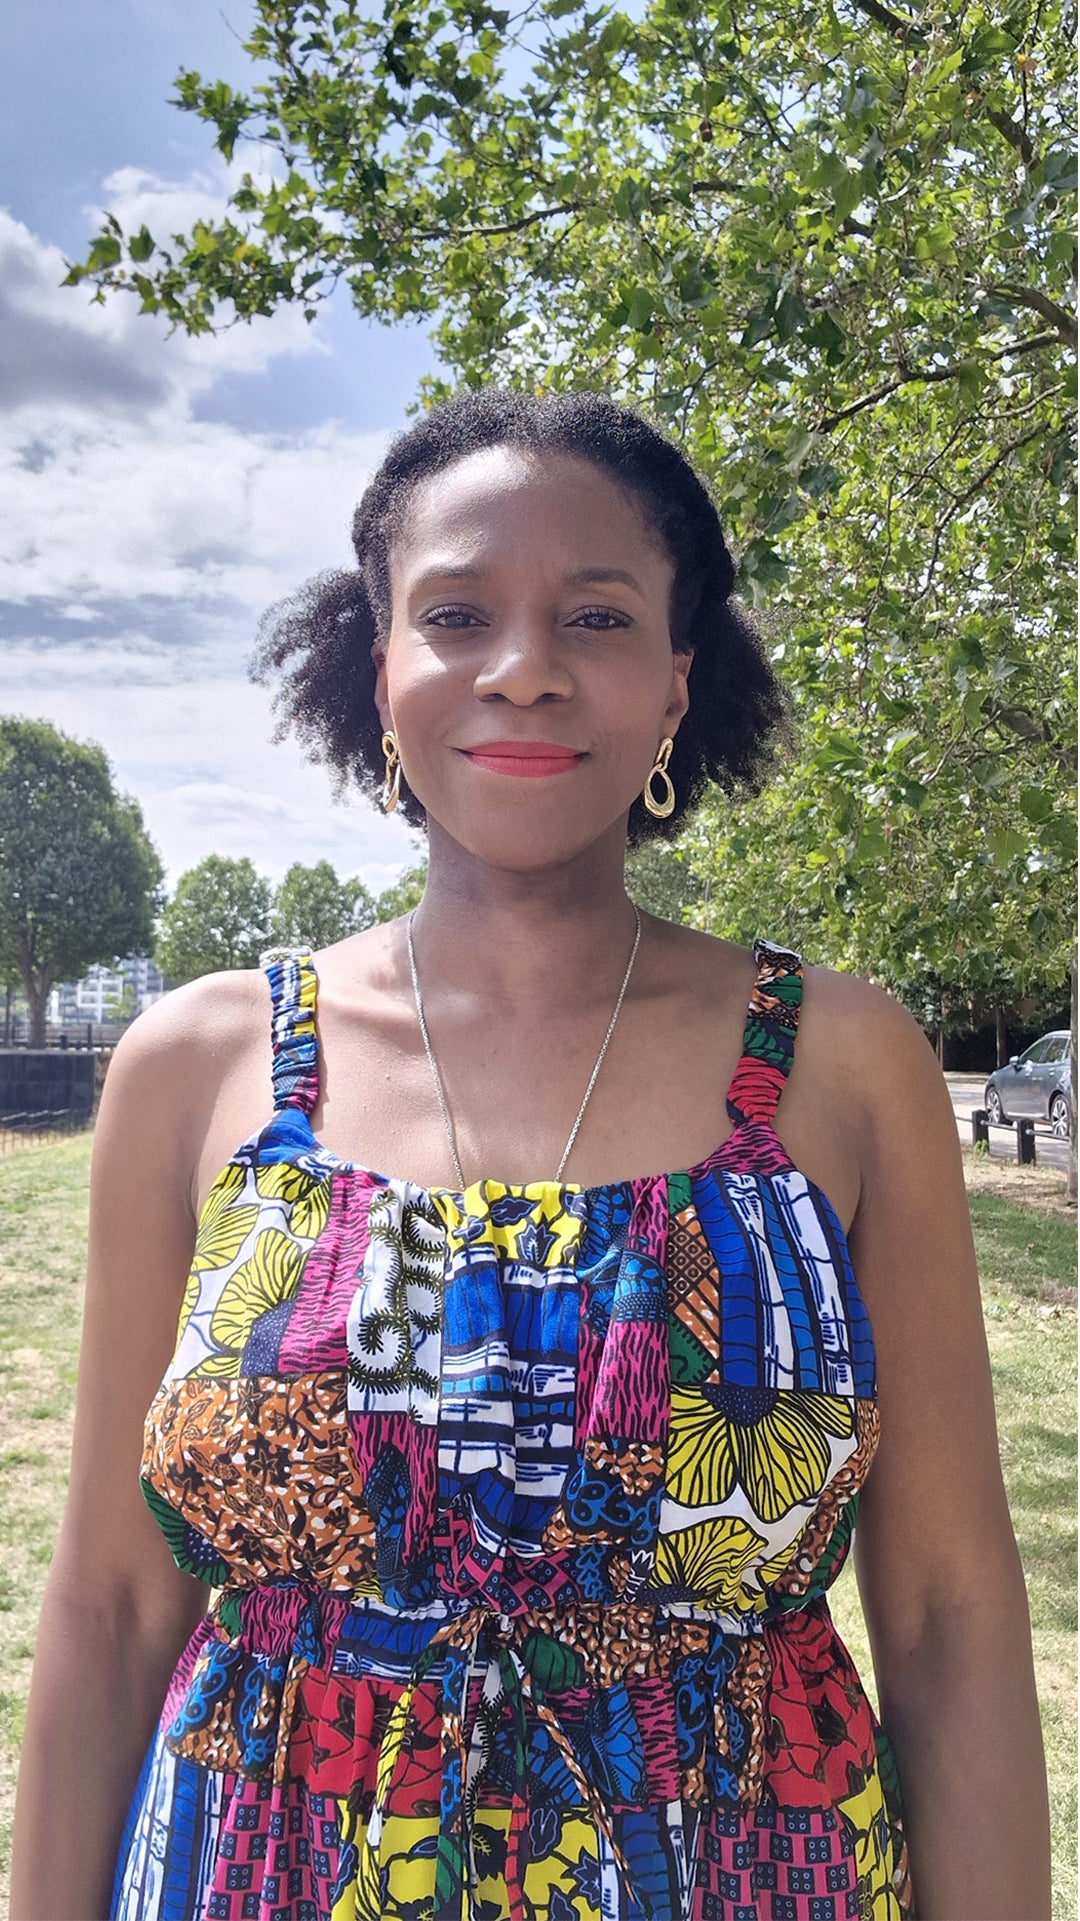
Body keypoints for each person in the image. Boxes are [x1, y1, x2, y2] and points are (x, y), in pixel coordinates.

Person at [12, 388, 1050, 1921]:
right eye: (456, 613)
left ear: (681, 681)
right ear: (377, 671)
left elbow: (952, 1615)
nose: (524, 667)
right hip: (263, 1868)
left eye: (598, 614)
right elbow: (106, 1610)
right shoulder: (201, 1067)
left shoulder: (842, 1065)